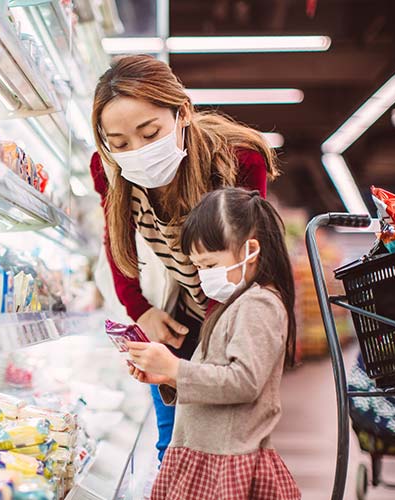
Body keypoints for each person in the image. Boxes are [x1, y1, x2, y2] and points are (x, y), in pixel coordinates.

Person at [90, 54, 279, 462]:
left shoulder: (238, 159)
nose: (136, 151)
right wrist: (140, 310)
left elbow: (244, 264)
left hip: (228, 309)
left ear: (184, 113)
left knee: (220, 445)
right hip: (175, 315)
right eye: (120, 143)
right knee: (170, 448)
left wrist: (202, 360)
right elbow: (116, 242)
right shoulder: (107, 169)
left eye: (150, 132)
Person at [126, 188, 300, 499]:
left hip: (225, 462)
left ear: (251, 250)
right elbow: (216, 375)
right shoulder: (234, 304)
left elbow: (243, 381)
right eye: (197, 267)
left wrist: (176, 368)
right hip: (208, 456)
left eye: (208, 265)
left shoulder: (258, 305)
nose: (202, 276)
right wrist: (167, 378)